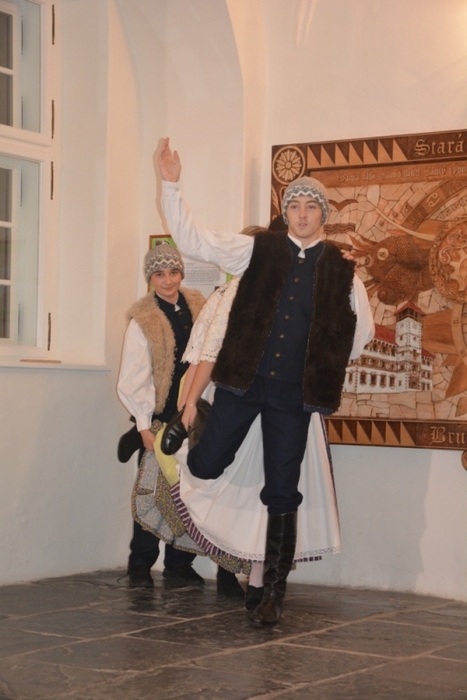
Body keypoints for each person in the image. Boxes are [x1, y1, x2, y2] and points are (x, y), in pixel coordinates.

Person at [157, 137, 374, 626]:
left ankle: (273, 593)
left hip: (292, 399)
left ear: (322, 214)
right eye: (294, 206)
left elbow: (360, 333)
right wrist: (171, 185)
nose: (302, 214)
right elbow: (195, 241)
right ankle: (191, 428)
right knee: (207, 463)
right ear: (285, 212)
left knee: (282, 490)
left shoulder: (341, 271)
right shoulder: (257, 250)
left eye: (310, 207)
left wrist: (319, 360)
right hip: (242, 384)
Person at [117, 241, 243, 596]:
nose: (168, 280)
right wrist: (144, 424)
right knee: (151, 491)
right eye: (159, 274)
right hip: (160, 418)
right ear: (150, 278)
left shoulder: (201, 307)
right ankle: (140, 564)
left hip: (195, 417)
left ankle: (178, 565)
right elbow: (133, 376)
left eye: (173, 272)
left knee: (188, 493)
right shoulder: (143, 320)